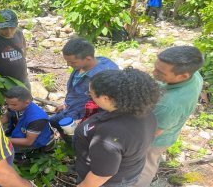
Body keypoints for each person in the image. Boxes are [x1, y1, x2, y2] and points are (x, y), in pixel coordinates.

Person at [74, 67, 161, 187]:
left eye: (91, 94)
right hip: (129, 172)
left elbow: (100, 175)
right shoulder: (144, 112)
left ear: (105, 98)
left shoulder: (108, 138)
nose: (89, 96)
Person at [134, 46, 204, 187]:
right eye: (155, 67)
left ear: (183, 76)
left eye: (160, 72)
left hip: (155, 140)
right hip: (170, 126)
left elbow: (153, 132)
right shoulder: (194, 75)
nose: (153, 73)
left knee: (145, 166)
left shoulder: (169, 103)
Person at [49, 37, 118, 138]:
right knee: (52, 121)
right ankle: (66, 141)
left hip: (83, 116)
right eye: (67, 61)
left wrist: (86, 121)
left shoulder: (102, 77)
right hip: (71, 109)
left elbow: (109, 104)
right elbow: (76, 92)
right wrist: (66, 104)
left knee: (77, 139)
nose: (68, 64)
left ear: (88, 58)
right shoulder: (83, 66)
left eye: (72, 62)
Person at [0, 86, 53, 153]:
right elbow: (6, 117)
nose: (9, 107)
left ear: (27, 102)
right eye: (8, 104)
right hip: (20, 133)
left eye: (13, 105)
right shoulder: (16, 105)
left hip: (33, 143)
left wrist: (3, 140)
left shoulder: (37, 119)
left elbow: (28, 142)